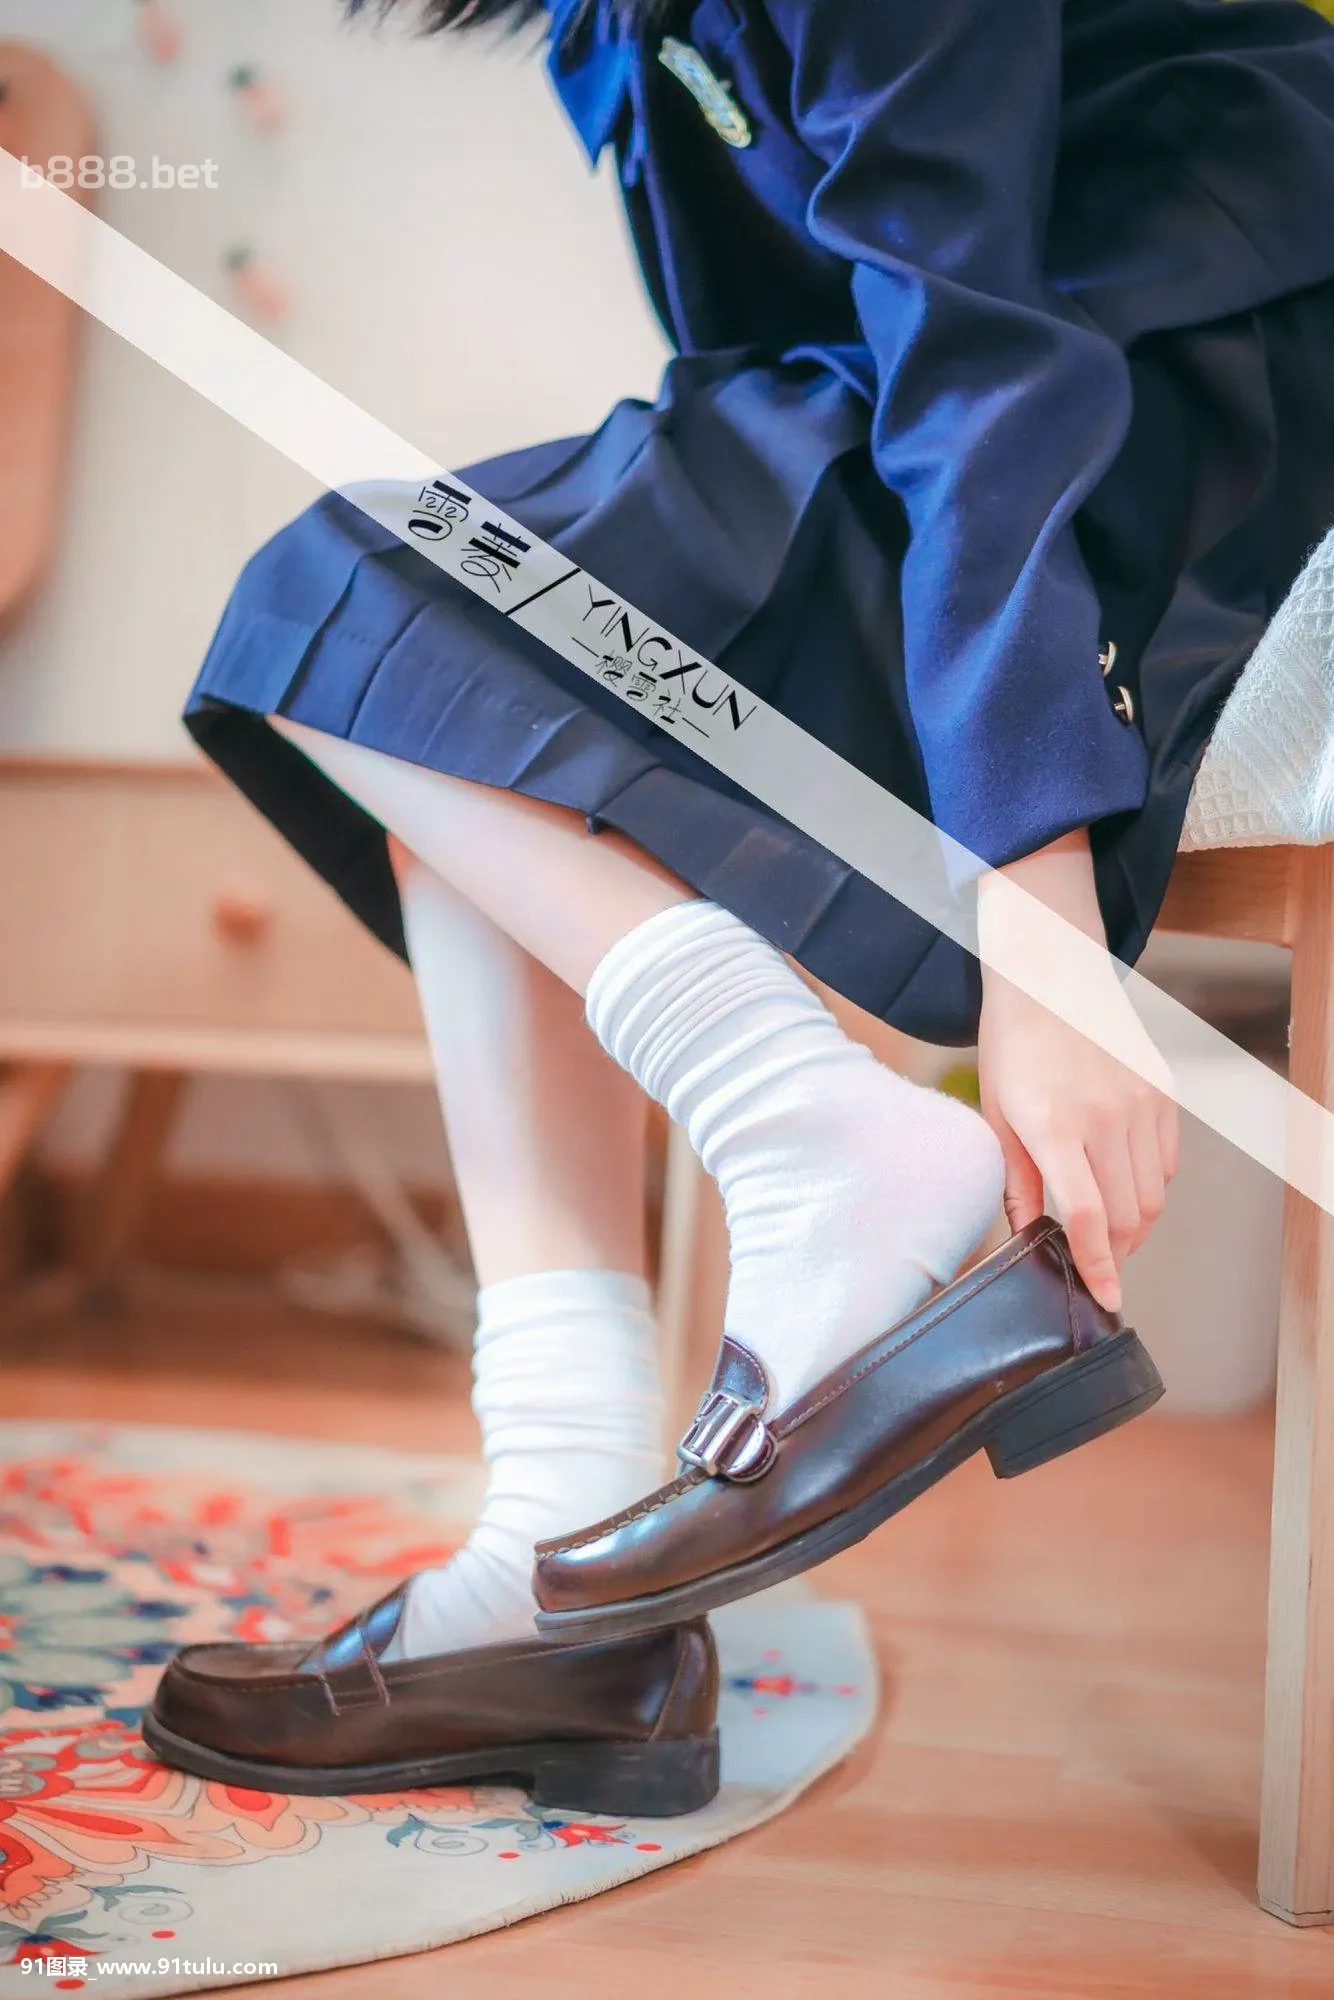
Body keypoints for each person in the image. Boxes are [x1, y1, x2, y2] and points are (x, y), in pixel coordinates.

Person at [149, 0, 1334, 1789]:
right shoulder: (607, 26)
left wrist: (1041, 939)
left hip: (1172, 376)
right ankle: (559, 1582)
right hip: (952, 388)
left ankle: (817, 1146)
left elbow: (975, 358)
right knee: (467, 705)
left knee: (360, 596)